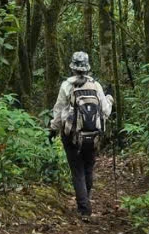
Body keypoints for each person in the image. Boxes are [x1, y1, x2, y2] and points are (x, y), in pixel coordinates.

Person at [48, 51, 114, 218]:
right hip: (93, 135)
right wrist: (110, 98)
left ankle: (84, 209)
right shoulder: (96, 86)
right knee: (88, 168)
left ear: (72, 67)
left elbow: (58, 110)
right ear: (87, 67)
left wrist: (53, 128)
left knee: (77, 170)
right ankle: (85, 201)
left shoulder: (66, 86)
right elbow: (105, 111)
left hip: (71, 136)